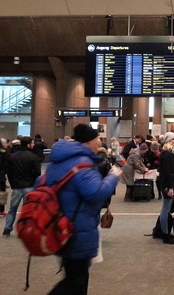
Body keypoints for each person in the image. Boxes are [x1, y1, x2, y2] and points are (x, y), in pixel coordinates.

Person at [46, 124, 121, 295]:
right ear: (89, 141)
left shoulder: (58, 160)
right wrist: (112, 177)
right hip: (77, 227)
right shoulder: (82, 164)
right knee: (75, 279)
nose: (99, 142)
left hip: (59, 223)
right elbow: (95, 193)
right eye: (97, 139)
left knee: (77, 276)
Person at [3, 136, 41, 237]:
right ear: (28, 144)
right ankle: (25, 229)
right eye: (32, 143)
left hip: (17, 186)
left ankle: (7, 228)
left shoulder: (12, 156)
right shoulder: (33, 157)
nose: (33, 145)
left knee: (12, 209)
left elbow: (8, 171)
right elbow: (37, 173)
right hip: (29, 186)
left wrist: (12, 183)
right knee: (28, 210)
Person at [158, 134, 174, 245]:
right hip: (168, 185)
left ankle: (165, 232)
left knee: (166, 209)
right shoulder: (166, 155)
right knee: (166, 209)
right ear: (168, 141)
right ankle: (165, 235)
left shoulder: (169, 153)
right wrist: (170, 187)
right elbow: (166, 172)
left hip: (168, 184)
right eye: (173, 139)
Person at [0, 138, 9, 216]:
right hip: (1, 176)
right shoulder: (4, 153)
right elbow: (6, 165)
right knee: (2, 193)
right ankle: (1, 210)